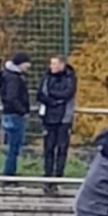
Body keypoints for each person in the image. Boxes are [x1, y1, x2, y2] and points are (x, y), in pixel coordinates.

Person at [37, 56, 77, 188]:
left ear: (62, 64)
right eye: (51, 63)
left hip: (64, 118)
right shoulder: (46, 77)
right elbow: (41, 94)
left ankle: (58, 177)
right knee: (48, 148)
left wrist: (52, 95)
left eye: (54, 63)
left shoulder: (70, 77)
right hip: (48, 117)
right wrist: (52, 101)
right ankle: (47, 176)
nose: (51, 66)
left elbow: (67, 94)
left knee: (62, 148)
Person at [0, 51, 31, 177]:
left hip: (8, 114)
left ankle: (9, 173)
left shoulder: (6, 75)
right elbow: (12, 98)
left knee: (11, 146)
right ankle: (9, 174)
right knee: (14, 147)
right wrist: (23, 111)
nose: (28, 66)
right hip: (15, 115)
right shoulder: (14, 79)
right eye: (26, 63)